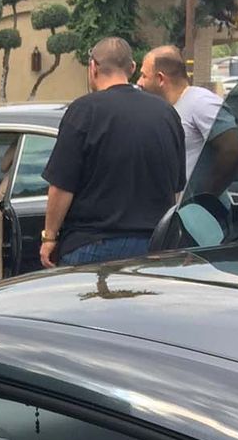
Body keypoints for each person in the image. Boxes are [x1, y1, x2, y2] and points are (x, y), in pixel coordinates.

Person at [38, 38, 184, 268]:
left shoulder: (83, 111)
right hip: (154, 247)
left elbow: (62, 186)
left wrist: (49, 237)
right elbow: (175, 189)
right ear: (132, 68)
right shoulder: (167, 113)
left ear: (93, 67)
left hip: (91, 245)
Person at [139, 44, 238, 198]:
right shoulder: (167, 110)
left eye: (144, 76)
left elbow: (233, 149)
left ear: (161, 78)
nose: (139, 82)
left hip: (198, 216)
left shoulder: (200, 101)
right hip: (176, 215)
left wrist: (206, 198)